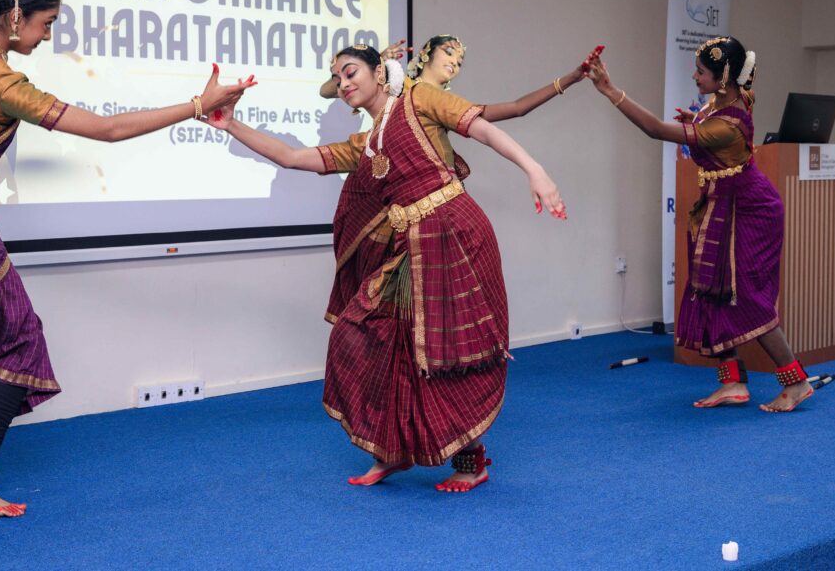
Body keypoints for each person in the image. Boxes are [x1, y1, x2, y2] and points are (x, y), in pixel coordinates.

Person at [0, 0, 254, 517]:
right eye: (46, 22)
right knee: (21, 338)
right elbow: (109, 130)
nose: (48, 35)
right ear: (15, 16)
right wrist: (198, 104)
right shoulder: (7, 84)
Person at [204, 44, 566, 492]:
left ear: (380, 72)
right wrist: (230, 124)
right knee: (366, 333)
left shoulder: (419, 99)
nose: (343, 83)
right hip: (411, 246)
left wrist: (535, 170)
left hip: (456, 234)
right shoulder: (366, 143)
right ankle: (393, 449)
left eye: (350, 72)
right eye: (337, 78)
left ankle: (471, 461)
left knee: (449, 351)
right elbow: (292, 157)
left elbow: (485, 131)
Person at [586, 37, 814, 412]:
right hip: (721, 203)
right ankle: (733, 383)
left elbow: (656, 130)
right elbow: (711, 122)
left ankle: (797, 382)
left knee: (749, 297)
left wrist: (610, 90)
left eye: (701, 72)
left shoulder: (727, 124)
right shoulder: (724, 100)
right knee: (710, 290)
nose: (695, 77)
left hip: (750, 210)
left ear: (724, 77)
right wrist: (695, 121)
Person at [320, 34, 595, 321]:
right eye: (449, 52)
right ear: (425, 54)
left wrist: (571, 79)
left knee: (435, 311)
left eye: (460, 60)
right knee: (387, 305)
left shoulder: (439, 101)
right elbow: (328, 89)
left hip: (429, 211)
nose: (455, 62)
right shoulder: (402, 89)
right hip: (382, 198)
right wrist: (375, 62)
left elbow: (517, 108)